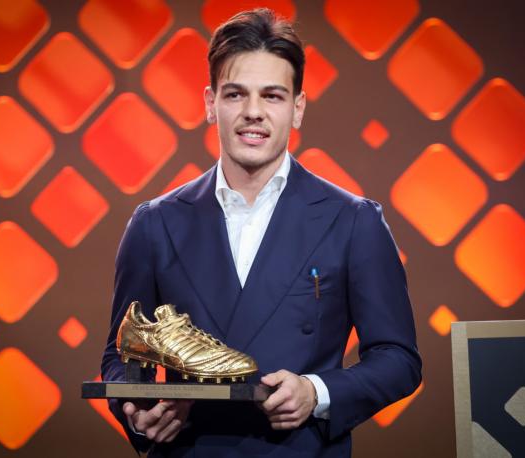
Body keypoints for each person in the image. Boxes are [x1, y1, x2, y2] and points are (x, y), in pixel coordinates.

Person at [101, 8, 421, 457]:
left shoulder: (353, 221)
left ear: (297, 108)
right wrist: (137, 409)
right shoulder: (155, 223)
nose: (253, 113)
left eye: (272, 96)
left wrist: (316, 392)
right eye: (236, 94)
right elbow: (123, 352)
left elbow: (399, 359)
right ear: (210, 103)